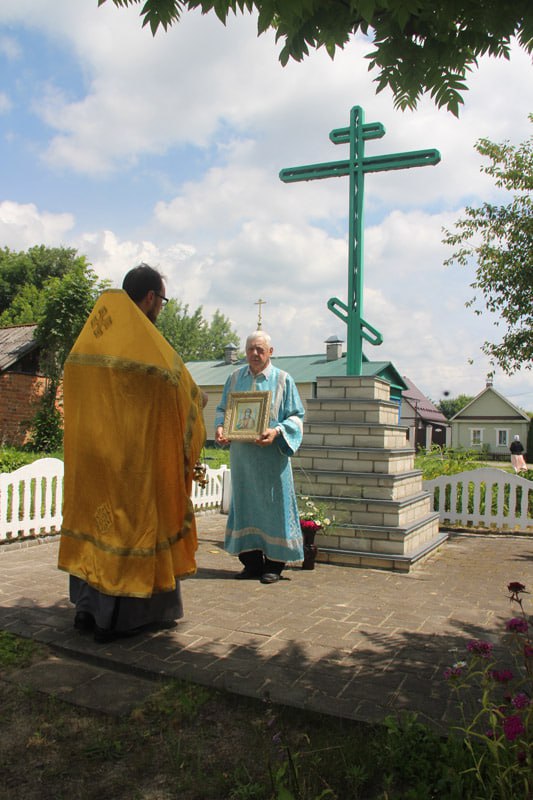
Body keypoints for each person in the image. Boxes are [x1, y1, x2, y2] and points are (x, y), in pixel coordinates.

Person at [58, 263, 207, 643]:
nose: (160, 310)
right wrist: (198, 400)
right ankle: (117, 620)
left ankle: (87, 611)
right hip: (131, 467)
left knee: (96, 528)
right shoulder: (146, 346)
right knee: (127, 530)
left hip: (91, 465)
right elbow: (182, 391)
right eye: (162, 301)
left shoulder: (89, 339)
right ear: (151, 298)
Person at [215, 331, 305, 584]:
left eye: (260, 349)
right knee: (245, 506)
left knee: (275, 508)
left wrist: (277, 431)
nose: (254, 354)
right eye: (250, 349)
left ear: (271, 352)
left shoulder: (283, 380)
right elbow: (222, 409)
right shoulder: (234, 378)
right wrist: (221, 428)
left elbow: (297, 416)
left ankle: (275, 565)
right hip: (243, 458)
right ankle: (251, 563)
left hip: (271, 460)